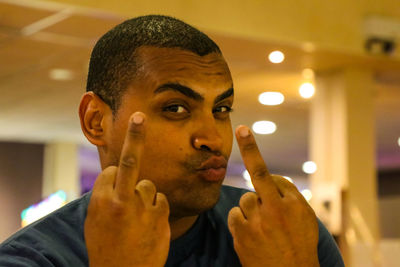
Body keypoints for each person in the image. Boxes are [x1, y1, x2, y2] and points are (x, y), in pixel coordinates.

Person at [0, 15, 344, 266]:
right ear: (96, 121)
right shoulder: (34, 259)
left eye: (221, 108)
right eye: (175, 108)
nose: (213, 138)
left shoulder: (285, 233)